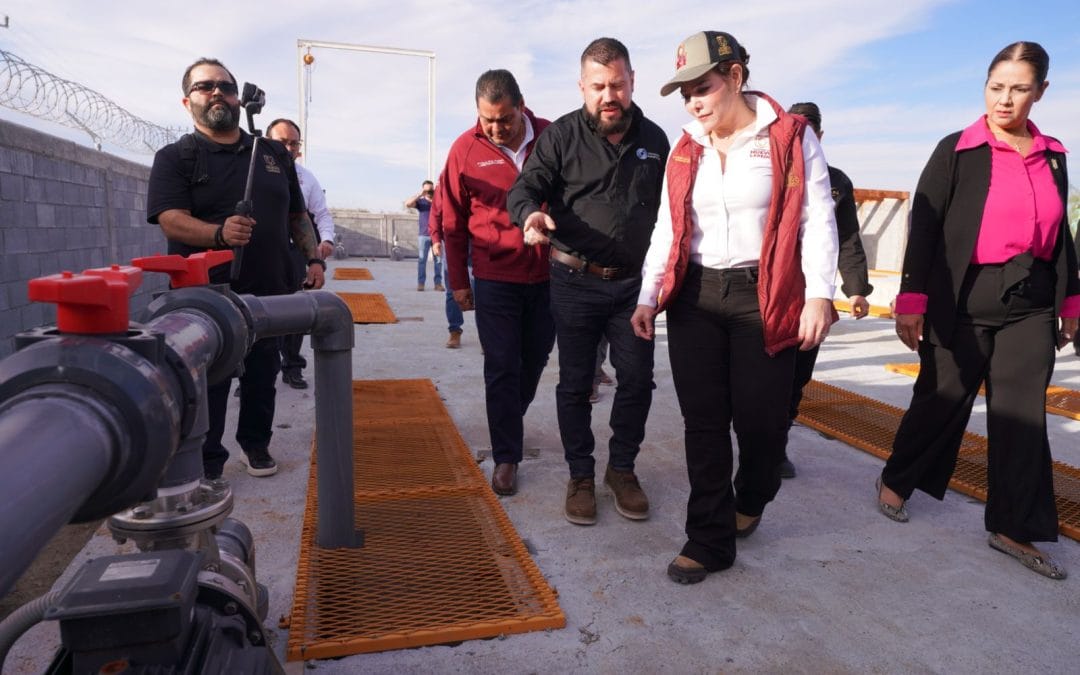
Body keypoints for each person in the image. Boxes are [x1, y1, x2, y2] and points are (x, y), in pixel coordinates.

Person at [630, 30, 838, 584]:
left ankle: (754, 495)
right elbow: (668, 226)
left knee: (762, 424)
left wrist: (819, 292)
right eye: (685, 93)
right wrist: (650, 294)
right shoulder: (686, 146)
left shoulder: (790, 137)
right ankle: (708, 539)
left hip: (763, 297)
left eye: (704, 87)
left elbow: (818, 216)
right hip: (695, 296)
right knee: (703, 423)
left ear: (737, 76)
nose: (694, 102)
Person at [879, 41, 1078, 580]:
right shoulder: (958, 149)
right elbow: (923, 229)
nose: (1005, 100)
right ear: (984, 86)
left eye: (1018, 89)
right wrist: (911, 302)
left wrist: (1072, 301)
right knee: (942, 398)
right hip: (962, 297)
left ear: (1041, 91)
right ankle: (897, 478)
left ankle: (1012, 526)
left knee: (1021, 414)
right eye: (996, 87)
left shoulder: (1054, 154)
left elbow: (1063, 237)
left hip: (1031, 302)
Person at [508, 37, 669, 525]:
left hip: (634, 289)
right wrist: (530, 217)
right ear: (582, 86)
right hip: (574, 281)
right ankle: (580, 474)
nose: (608, 96)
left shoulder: (657, 141)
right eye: (598, 86)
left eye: (617, 85)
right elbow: (526, 187)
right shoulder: (559, 137)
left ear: (632, 81)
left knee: (638, 380)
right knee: (575, 384)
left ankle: (621, 470)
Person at [147, 58, 325, 480]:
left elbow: (298, 215)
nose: (217, 94)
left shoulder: (271, 153)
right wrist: (218, 234)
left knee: (264, 373)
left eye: (225, 87)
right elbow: (170, 218)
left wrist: (313, 257)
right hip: (206, 294)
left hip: (269, 288)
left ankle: (256, 444)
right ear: (186, 99)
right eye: (205, 86)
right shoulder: (176, 157)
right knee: (208, 381)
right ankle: (207, 462)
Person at [441, 69, 555, 496]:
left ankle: (510, 418)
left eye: (504, 118)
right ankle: (507, 455)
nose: (496, 128)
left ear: (521, 105)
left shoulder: (551, 136)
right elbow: (452, 223)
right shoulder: (464, 150)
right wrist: (458, 281)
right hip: (494, 277)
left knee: (537, 357)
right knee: (501, 365)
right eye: (487, 119)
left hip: (547, 275)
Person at [781, 102, 874, 479]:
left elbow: (847, 236)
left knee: (798, 374)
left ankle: (776, 444)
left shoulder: (837, 182)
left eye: (811, 134)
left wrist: (856, 289)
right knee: (758, 373)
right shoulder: (770, 170)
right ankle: (753, 435)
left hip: (812, 295)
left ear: (820, 137)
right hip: (764, 290)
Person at [266, 118, 335, 390]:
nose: (288, 147)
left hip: (294, 252)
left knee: (294, 311)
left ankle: (292, 367)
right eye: (282, 141)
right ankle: (254, 369)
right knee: (259, 311)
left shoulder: (305, 178)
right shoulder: (250, 173)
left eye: (294, 143)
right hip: (262, 254)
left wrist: (325, 241)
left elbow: (320, 214)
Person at [429, 179, 467, 348]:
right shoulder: (444, 183)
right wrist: (436, 239)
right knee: (452, 290)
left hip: (478, 243)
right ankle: (455, 331)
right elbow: (435, 212)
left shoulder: (478, 173)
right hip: (451, 243)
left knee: (484, 289)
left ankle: (486, 335)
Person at [405, 180, 443, 291]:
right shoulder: (421, 202)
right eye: (427, 190)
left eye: (431, 189)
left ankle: (438, 284)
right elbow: (408, 204)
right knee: (422, 260)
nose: (429, 192)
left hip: (437, 235)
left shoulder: (439, 202)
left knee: (439, 260)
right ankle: (421, 283)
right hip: (424, 235)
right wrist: (420, 194)